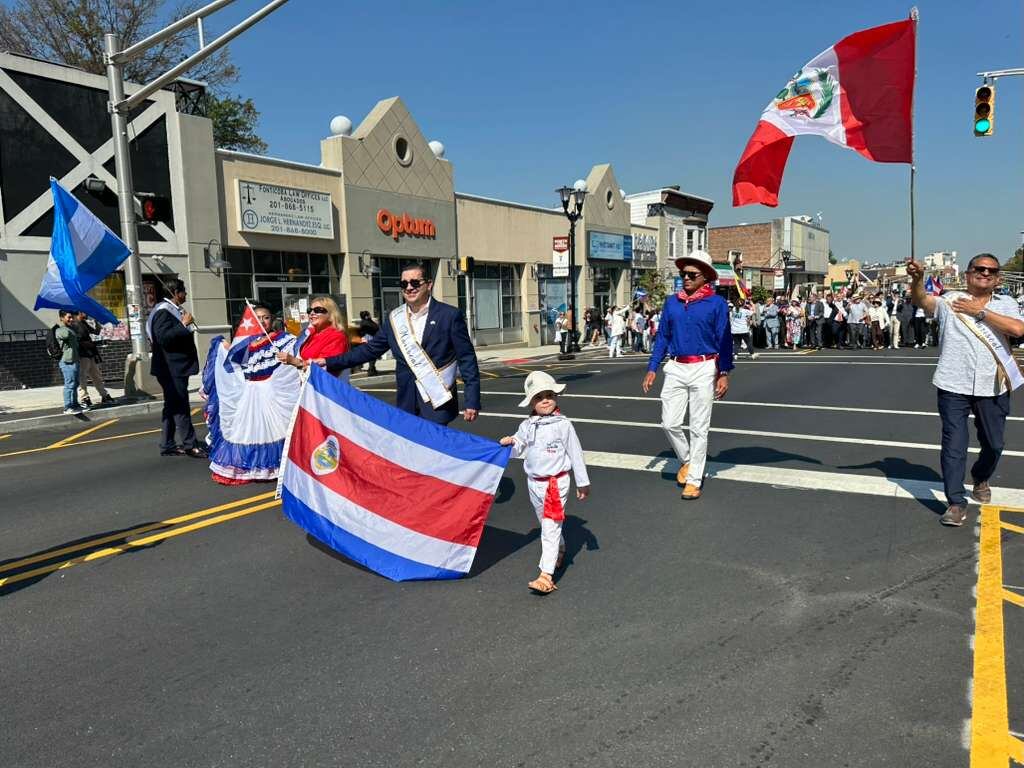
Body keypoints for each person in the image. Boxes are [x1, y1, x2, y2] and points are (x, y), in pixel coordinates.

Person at [908, 253, 1024, 527]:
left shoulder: (1006, 303)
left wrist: (979, 312)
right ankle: (956, 502)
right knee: (954, 443)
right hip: (953, 383)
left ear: (997, 279)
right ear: (968, 274)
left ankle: (981, 476)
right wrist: (918, 280)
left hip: (992, 385)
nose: (985, 273)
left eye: (991, 271)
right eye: (979, 269)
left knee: (994, 444)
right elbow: (922, 301)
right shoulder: (950, 300)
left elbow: (1018, 329)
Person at [315, 262, 481, 425]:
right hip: (406, 402)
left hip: (437, 401)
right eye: (404, 283)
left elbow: (466, 358)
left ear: (429, 285)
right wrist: (329, 362)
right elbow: (370, 350)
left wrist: (471, 400)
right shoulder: (395, 318)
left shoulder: (449, 315)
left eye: (415, 283)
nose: (409, 288)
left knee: (436, 451)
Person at [642, 250, 733, 500]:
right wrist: (652, 367)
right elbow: (663, 337)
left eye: (692, 274)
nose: (686, 278)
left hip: (705, 367)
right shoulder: (672, 302)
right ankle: (688, 460)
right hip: (676, 366)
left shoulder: (717, 303)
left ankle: (694, 480)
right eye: (683, 274)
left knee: (698, 428)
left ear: (706, 277)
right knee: (669, 422)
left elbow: (724, 340)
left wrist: (723, 372)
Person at [500, 371, 590, 595]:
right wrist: (509, 443)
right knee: (546, 524)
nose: (546, 400)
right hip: (534, 483)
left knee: (550, 527)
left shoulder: (563, 425)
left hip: (555, 484)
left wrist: (582, 482)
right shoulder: (527, 425)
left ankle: (545, 575)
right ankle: (559, 549)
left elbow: (575, 453)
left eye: (549, 395)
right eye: (539, 397)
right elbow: (518, 446)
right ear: (531, 401)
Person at [201, 304, 301, 484]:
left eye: (266, 317)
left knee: (275, 430)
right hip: (250, 392)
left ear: (273, 320)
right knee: (250, 431)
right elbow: (233, 366)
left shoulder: (284, 339)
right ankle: (252, 468)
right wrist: (223, 346)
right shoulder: (245, 344)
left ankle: (277, 467)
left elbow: (297, 355)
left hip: (273, 391)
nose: (262, 321)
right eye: (258, 318)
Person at [147, 278, 204, 457]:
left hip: (175, 367)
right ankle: (190, 445)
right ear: (175, 293)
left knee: (171, 406)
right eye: (183, 291)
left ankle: (167, 444)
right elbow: (163, 338)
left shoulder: (171, 309)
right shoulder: (163, 312)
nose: (186, 294)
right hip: (171, 369)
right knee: (180, 406)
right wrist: (183, 324)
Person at [277, 296, 351, 380]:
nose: (312, 313)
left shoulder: (337, 336)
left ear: (331, 314)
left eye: (318, 310)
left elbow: (327, 368)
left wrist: (295, 362)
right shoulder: (311, 334)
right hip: (309, 386)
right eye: (309, 310)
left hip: (324, 389)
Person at [72, 311, 113, 408]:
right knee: (82, 377)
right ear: (80, 313)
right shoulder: (75, 325)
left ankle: (104, 395)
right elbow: (77, 341)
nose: (87, 314)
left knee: (96, 375)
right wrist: (90, 344)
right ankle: (84, 398)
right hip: (82, 354)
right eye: (85, 312)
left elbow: (96, 331)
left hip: (90, 353)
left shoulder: (83, 322)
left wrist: (96, 322)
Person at [55, 309, 83, 414]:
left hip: (74, 360)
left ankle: (75, 405)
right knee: (69, 384)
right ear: (62, 318)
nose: (71, 319)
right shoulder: (60, 330)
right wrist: (69, 325)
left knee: (75, 384)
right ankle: (67, 407)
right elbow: (65, 335)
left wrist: (73, 325)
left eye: (72, 317)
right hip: (67, 362)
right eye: (69, 317)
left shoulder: (71, 329)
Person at [358, 310, 380, 376]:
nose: (371, 316)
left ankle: (372, 368)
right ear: (366, 316)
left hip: (369, 339)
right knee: (373, 354)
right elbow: (375, 328)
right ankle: (371, 369)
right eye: (369, 315)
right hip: (369, 339)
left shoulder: (366, 322)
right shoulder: (366, 323)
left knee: (372, 355)